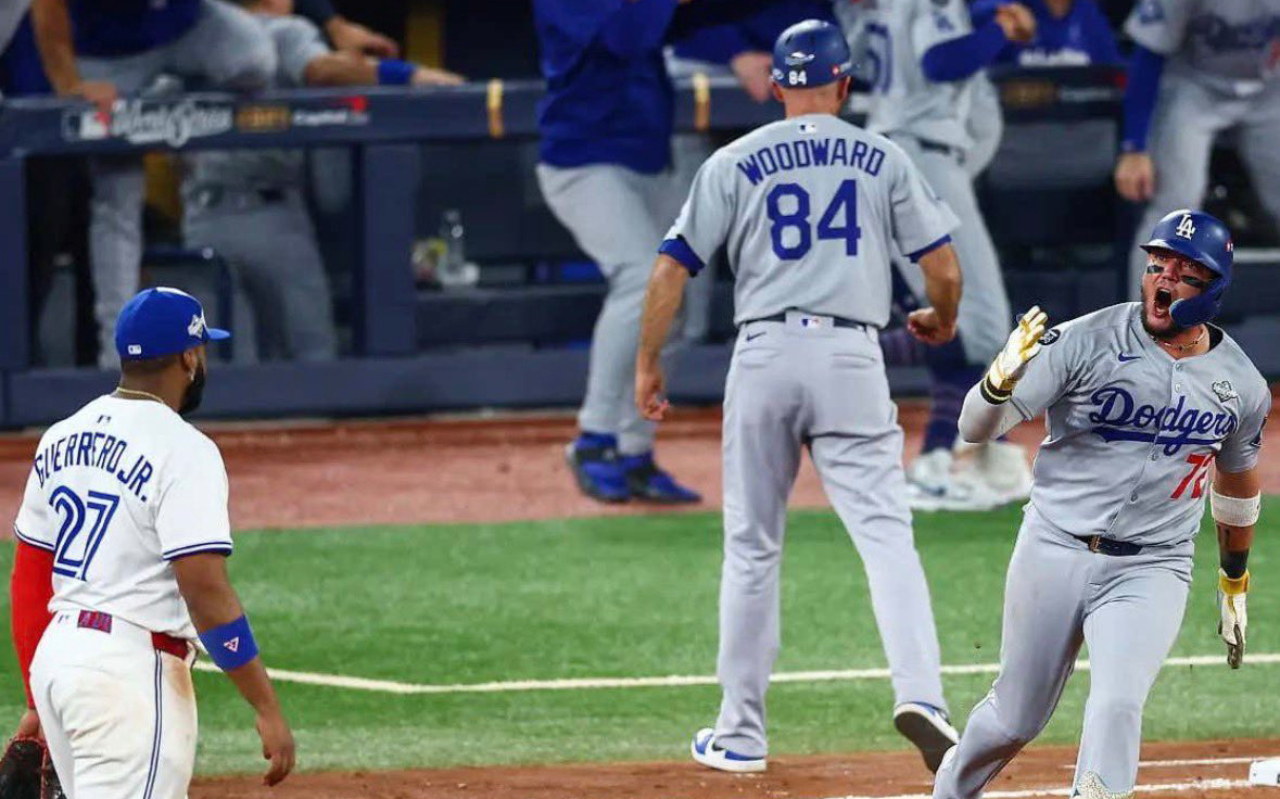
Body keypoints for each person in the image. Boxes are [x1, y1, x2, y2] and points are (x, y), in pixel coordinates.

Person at [637, 20, 963, 775]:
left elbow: (668, 271)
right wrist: (941, 319)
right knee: (886, 537)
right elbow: (943, 268)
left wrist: (647, 364)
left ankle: (740, 733)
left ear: (777, 86)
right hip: (852, 354)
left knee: (753, 547)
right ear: (845, 84)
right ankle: (924, 696)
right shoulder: (882, 156)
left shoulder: (734, 158)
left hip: (764, 355)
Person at [934, 209, 1267, 799]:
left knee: (1117, 704)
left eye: (1183, 273)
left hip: (1153, 565)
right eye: (1157, 265)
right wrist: (996, 384)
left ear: (1213, 288)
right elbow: (974, 429)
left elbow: (1237, 481)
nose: (1163, 280)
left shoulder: (1241, 384)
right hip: (1053, 548)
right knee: (1014, 719)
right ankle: (953, 788)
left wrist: (1234, 579)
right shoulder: (1084, 341)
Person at [9, 287, 296, 797]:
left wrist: (37, 699)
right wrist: (266, 705)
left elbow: (30, 578)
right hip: (126, 680)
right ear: (189, 357)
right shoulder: (184, 449)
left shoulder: (59, 438)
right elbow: (205, 592)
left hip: (59, 663)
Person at [834, 0, 1036, 511]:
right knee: (983, 323)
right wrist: (999, 29)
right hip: (921, 156)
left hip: (896, 152)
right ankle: (944, 459)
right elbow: (941, 61)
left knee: (949, 320)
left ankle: (971, 457)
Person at [182, 0, 462, 363]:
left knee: (225, 367)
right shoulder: (285, 31)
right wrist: (408, 75)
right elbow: (322, 70)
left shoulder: (193, 37)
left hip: (200, 221)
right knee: (310, 357)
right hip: (271, 221)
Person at [534, 0, 733, 505]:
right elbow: (623, 34)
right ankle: (594, 437)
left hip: (649, 159)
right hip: (582, 161)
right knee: (643, 277)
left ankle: (634, 451)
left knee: (677, 294)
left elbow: (695, 23)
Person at [29, 0, 278, 369]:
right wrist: (69, 83)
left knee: (253, 59)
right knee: (117, 196)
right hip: (110, 57)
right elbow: (46, 5)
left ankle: (163, 92)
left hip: (187, 32)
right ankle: (114, 357)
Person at [1114, 0, 1280, 296]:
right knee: (1176, 207)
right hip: (1194, 88)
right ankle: (1145, 319)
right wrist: (1134, 147)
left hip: (1269, 90)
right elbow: (1148, 56)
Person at [972, 0, 1120, 68]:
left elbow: (1112, 71)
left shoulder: (1087, 11)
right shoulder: (1006, 10)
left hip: (1074, 117)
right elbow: (977, 14)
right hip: (1015, 115)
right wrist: (1005, 10)